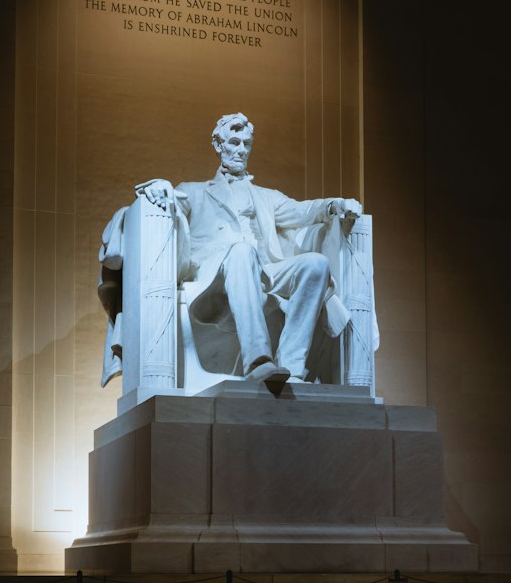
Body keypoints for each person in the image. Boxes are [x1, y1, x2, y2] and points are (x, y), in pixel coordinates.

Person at [100, 112, 362, 386]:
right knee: (241, 251)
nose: (241, 150)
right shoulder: (194, 191)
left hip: (262, 273)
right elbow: (173, 207)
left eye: (246, 144)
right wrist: (159, 186)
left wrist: (335, 205)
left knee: (316, 264)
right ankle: (259, 362)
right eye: (234, 142)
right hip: (213, 277)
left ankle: (291, 367)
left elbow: (303, 210)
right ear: (218, 145)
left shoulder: (266, 197)